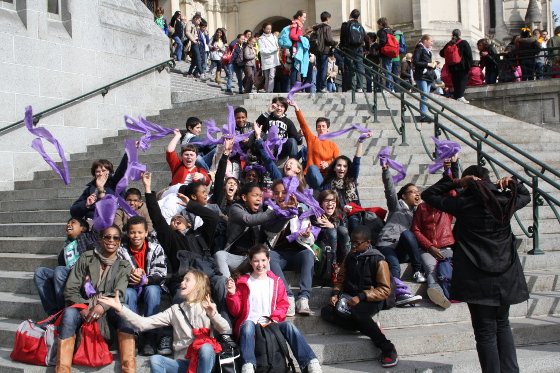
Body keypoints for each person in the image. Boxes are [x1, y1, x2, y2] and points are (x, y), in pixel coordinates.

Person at [421, 166, 531, 373]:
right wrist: (512, 182)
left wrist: (454, 182)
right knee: (502, 324)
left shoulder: (463, 203)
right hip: (505, 274)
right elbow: (525, 195)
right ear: (489, 180)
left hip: (476, 276)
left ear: (469, 182)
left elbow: (429, 195)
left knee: (485, 332)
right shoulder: (505, 200)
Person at [142, 172, 228, 355]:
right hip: (183, 280)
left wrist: (191, 204)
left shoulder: (200, 236)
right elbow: (157, 219)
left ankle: (222, 330)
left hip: (206, 278)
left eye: (179, 219)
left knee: (221, 283)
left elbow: (213, 218)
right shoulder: (170, 239)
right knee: (179, 297)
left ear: (189, 224)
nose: (175, 220)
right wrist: (148, 190)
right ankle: (167, 336)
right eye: (173, 220)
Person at [99, 269, 231, 373]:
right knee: (156, 360)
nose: (182, 283)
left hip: (204, 363)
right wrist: (120, 308)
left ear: (198, 285)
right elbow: (143, 323)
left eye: (187, 280)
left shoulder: (206, 306)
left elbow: (225, 329)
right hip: (183, 362)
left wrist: (213, 314)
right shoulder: (175, 310)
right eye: (182, 280)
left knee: (206, 348)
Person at [226, 244, 322, 373]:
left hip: (269, 323)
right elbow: (236, 311)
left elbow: (283, 305)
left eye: (263, 260)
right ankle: (248, 365)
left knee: (289, 326)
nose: (260, 264)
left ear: (269, 260)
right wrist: (232, 294)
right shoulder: (243, 281)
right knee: (248, 325)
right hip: (250, 324)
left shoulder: (276, 281)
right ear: (250, 262)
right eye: (256, 261)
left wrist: (273, 319)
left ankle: (310, 362)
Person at [56, 225, 134, 372]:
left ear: (119, 242)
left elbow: (119, 293)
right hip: (84, 306)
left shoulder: (124, 266)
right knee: (69, 314)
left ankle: (129, 368)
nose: (111, 240)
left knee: (126, 313)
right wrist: (83, 307)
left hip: (108, 310)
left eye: (115, 238)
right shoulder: (87, 257)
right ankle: (62, 368)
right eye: (107, 237)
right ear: (100, 239)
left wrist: (101, 306)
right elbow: (70, 289)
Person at [321, 226, 398, 368]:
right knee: (326, 311)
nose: (353, 246)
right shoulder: (350, 256)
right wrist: (335, 294)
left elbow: (385, 289)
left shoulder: (379, 260)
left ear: (367, 242)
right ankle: (368, 325)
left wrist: (362, 296)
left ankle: (388, 348)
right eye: (352, 242)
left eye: (357, 243)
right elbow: (340, 278)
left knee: (357, 312)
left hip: (371, 299)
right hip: (350, 298)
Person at [215, 183, 294, 278]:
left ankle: (269, 289)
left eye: (260, 196)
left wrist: (286, 215)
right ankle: (228, 287)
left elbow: (271, 229)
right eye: (255, 195)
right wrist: (277, 211)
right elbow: (248, 220)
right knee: (220, 255)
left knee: (265, 256)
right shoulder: (235, 209)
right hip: (236, 258)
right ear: (244, 197)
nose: (259, 199)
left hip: (253, 258)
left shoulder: (260, 212)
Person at [411, 158, 459, 309]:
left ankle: (455, 292)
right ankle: (440, 297)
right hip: (427, 249)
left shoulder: (446, 204)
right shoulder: (422, 208)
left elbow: (452, 188)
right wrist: (430, 246)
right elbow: (416, 229)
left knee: (456, 268)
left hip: (447, 247)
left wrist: (449, 169)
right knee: (431, 271)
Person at [266, 178, 317, 316]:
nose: (281, 196)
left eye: (284, 192)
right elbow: (269, 231)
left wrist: (306, 235)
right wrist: (287, 214)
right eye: (277, 193)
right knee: (269, 256)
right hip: (277, 253)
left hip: (296, 254)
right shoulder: (270, 209)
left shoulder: (301, 210)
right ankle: (288, 297)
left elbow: (310, 240)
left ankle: (303, 299)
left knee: (308, 254)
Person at [118, 215, 167, 355]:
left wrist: (146, 280)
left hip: (150, 285)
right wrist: (130, 276)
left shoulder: (156, 248)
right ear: (127, 233)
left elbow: (161, 273)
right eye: (132, 232)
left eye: (140, 232)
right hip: (131, 287)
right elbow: (119, 272)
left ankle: (150, 336)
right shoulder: (121, 250)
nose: (136, 236)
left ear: (146, 233)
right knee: (127, 293)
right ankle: (133, 334)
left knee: (152, 291)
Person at [34, 218, 97, 316]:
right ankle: (53, 313)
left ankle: (62, 312)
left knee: (59, 270)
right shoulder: (66, 246)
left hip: (81, 276)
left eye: (73, 223)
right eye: (67, 223)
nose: (68, 225)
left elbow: (98, 233)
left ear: (83, 228)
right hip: (67, 275)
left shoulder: (86, 237)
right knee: (40, 272)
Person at [375, 165, 426, 284]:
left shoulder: (418, 214)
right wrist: (386, 170)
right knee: (394, 266)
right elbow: (390, 190)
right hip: (387, 245)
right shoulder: (396, 207)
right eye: (412, 192)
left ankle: (417, 271)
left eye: (418, 192)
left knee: (407, 234)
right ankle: (397, 289)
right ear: (404, 196)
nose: (417, 194)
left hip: (403, 249)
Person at [289, 100, 340, 190]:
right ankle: (324, 192)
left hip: (326, 176)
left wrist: (328, 165)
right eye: (319, 126)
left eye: (323, 126)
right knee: (312, 168)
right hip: (310, 175)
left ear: (328, 129)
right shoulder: (312, 140)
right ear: (316, 129)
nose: (321, 128)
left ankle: (323, 191)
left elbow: (337, 163)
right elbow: (303, 124)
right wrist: (296, 107)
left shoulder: (333, 145)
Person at [70, 155, 128, 220]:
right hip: (93, 222)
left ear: (110, 172)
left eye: (104, 170)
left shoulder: (116, 183)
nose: (101, 173)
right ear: (94, 173)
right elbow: (73, 211)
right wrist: (86, 204)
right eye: (98, 171)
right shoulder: (89, 189)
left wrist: (129, 150)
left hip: (112, 221)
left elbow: (122, 168)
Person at [255, 97, 302, 161]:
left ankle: (294, 163)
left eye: (282, 106)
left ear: (285, 109)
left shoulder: (288, 122)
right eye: (277, 106)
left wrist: (299, 136)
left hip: (281, 150)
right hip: (267, 148)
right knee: (261, 135)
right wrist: (268, 111)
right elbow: (256, 125)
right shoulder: (267, 118)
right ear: (273, 106)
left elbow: (297, 141)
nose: (279, 108)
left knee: (292, 140)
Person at [314, 190, 350, 265]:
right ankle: (333, 265)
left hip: (340, 251)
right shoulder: (315, 216)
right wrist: (318, 224)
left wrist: (332, 226)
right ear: (321, 203)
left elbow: (345, 234)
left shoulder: (341, 215)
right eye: (326, 201)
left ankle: (346, 263)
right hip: (322, 251)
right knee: (331, 232)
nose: (330, 204)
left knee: (341, 230)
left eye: (333, 201)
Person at [440, 29, 473, 103]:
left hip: (452, 67)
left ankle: (457, 96)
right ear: (460, 34)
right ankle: (460, 96)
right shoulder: (464, 43)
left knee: (455, 81)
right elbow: (469, 55)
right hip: (462, 67)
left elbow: (441, 53)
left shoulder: (449, 43)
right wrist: (470, 66)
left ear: (452, 35)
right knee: (462, 81)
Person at [340, 9, 366, 92]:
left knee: (349, 66)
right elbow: (366, 38)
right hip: (359, 48)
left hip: (348, 48)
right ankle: (360, 87)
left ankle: (350, 87)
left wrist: (341, 47)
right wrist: (367, 49)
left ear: (350, 15)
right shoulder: (360, 26)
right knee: (359, 66)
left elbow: (342, 38)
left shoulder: (345, 25)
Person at [412, 34, 436, 123]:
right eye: (431, 41)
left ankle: (424, 114)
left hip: (428, 76)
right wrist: (427, 64)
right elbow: (415, 62)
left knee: (426, 96)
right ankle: (423, 115)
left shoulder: (428, 51)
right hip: (421, 76)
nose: (432, 43)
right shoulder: (419, 49)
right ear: (425, 41)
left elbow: (427, 63)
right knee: (424, 96)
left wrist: (433, 65)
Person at [313, 11, 338, 93]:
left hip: (317, 51)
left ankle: (318, 88)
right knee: (324, 69)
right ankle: (323, 87)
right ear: (327, 18)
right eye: (329, 18)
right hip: (324, 50)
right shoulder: (327, 27)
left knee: (319, 70)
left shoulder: (317, 28)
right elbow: (328, 40)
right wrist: (335, 43)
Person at [258, 23, 280, 93]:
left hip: (274, 59)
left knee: (272, 76)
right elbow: (262, 50)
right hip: (266, 59)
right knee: (267, 77)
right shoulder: (261, 39)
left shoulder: (274, 37)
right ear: (264, 29)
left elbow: (277, 47)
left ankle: (270, 91)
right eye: (267, 29)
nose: (269, 30)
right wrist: (273, 49)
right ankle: (267, 90)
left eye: (270, 29)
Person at [289, 10, 308, 87]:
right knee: (294, 67)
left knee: (297, 68)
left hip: (297, 48)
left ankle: (295, 85)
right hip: (295, 49)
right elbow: (292, 36)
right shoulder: (296, 24)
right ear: (299, 17)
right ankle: (293, 86)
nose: (305, 19)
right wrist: (302, 39)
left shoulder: (299, 25)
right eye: (304, 17)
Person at [377, 17, 395, 92]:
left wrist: (378, 47)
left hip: (385, 53)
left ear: (381, 24)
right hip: (391, 52)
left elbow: (383, 42)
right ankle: (391, 87)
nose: (378, 26)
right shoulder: (390, 31)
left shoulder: (382, 31)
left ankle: (388, 88)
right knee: (389, 70)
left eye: (378, 24)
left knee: (386, 70)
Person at [186, 13, 203, 78]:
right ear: (195, 18)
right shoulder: (189, 23)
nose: (200, 22)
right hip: (192, 43)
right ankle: (201, 73)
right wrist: (194, 41)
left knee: (194, 60)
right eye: (199, 20)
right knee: (198, 57)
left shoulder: (196, 26)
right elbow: (187, 32)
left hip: (195, 43)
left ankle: (189, 73)